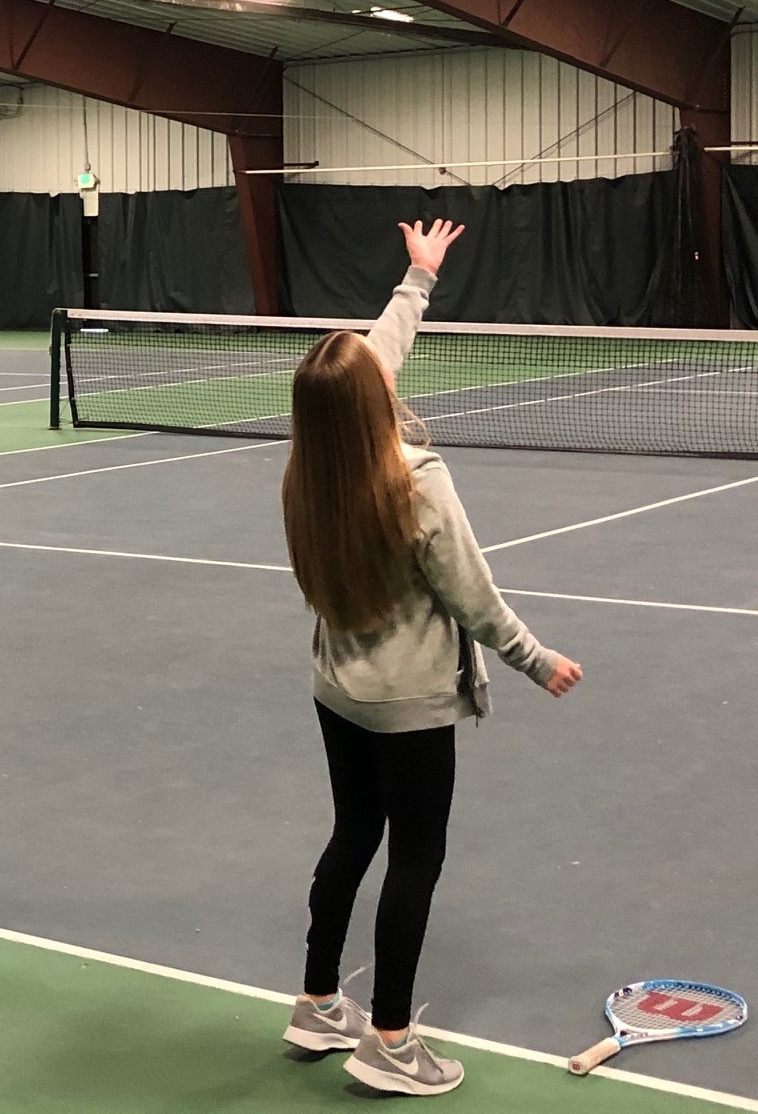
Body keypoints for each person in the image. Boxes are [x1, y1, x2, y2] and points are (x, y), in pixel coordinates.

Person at [279, 219, 583, 1096]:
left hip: (337, 692)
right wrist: (536, 659)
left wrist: (417, 281)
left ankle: (315, 1003)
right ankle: (391, 1041)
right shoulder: (415, 479)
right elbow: (472, 595)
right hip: (410, 706)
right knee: (415, 857)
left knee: (351, 835)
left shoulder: (311, 469)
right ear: (371, 404)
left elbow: (368, 365)